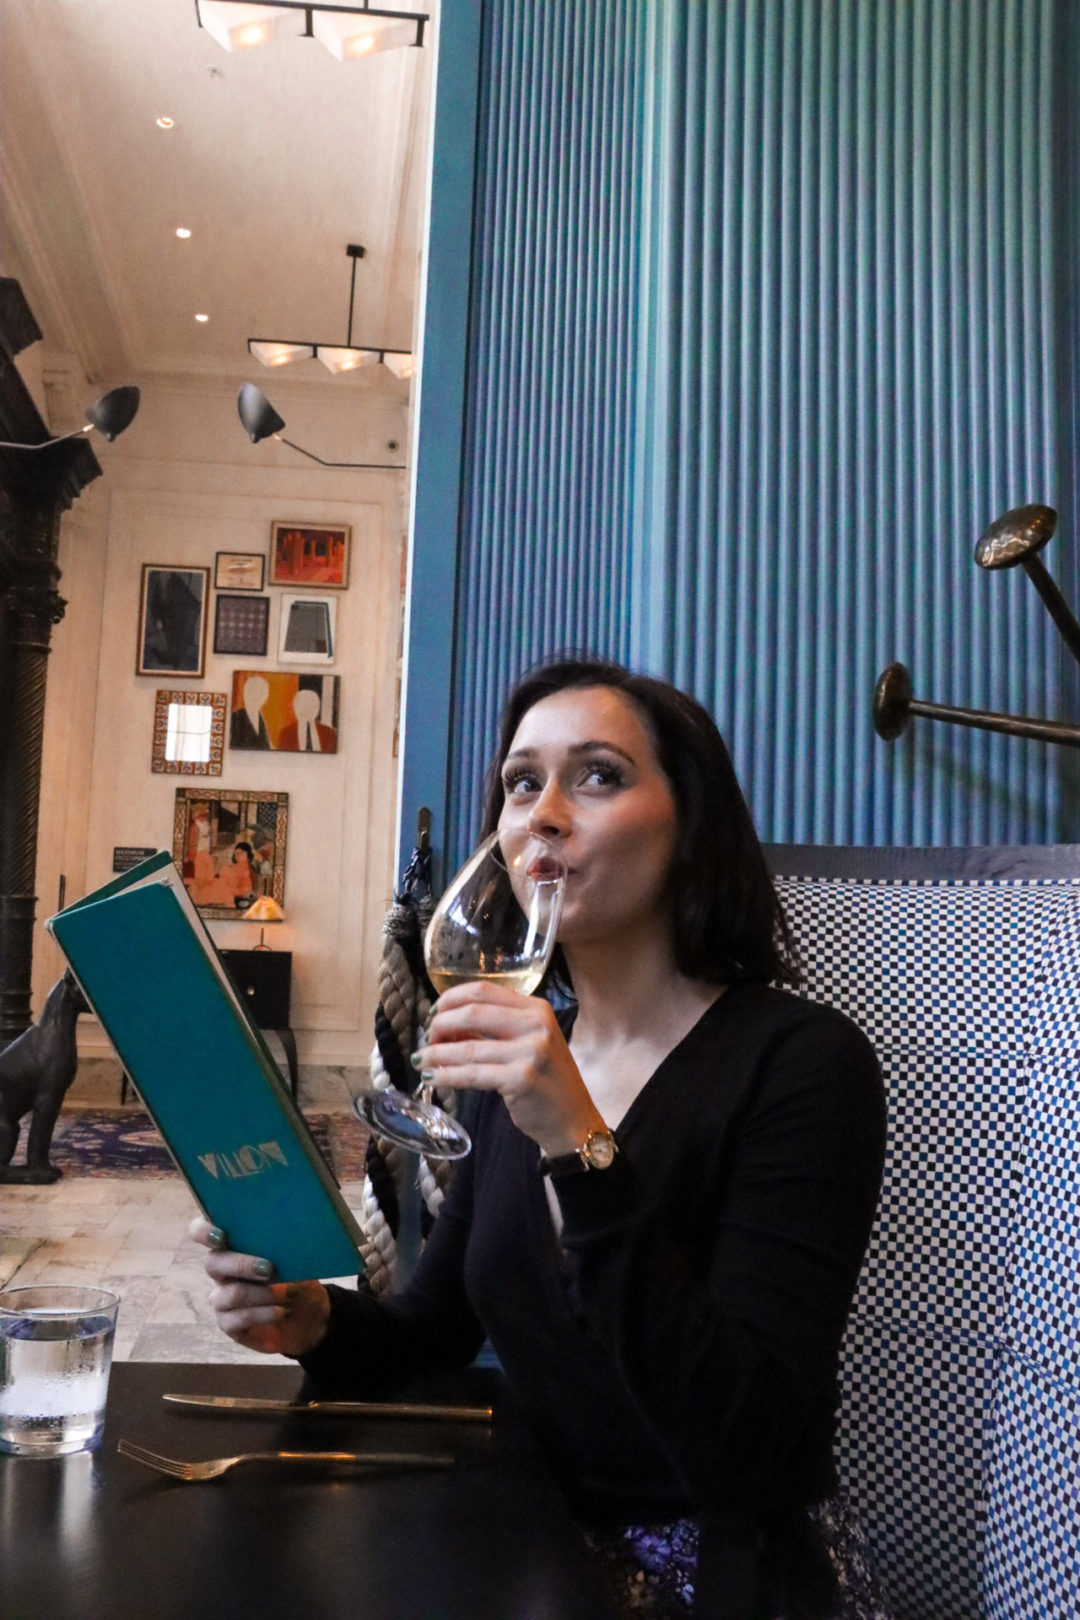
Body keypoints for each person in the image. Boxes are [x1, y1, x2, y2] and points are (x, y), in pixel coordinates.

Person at [192, 656, 888, 1620]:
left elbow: (749, 1450)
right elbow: (434, 1331)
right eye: (522, 784)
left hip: (725, 1579)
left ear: (690, 823)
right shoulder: (518, 1070)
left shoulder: (803, 1065)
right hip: (527, 1544)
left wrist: (577, 1140)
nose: (543, 815)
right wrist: (312, 1321)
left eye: (598, 775)